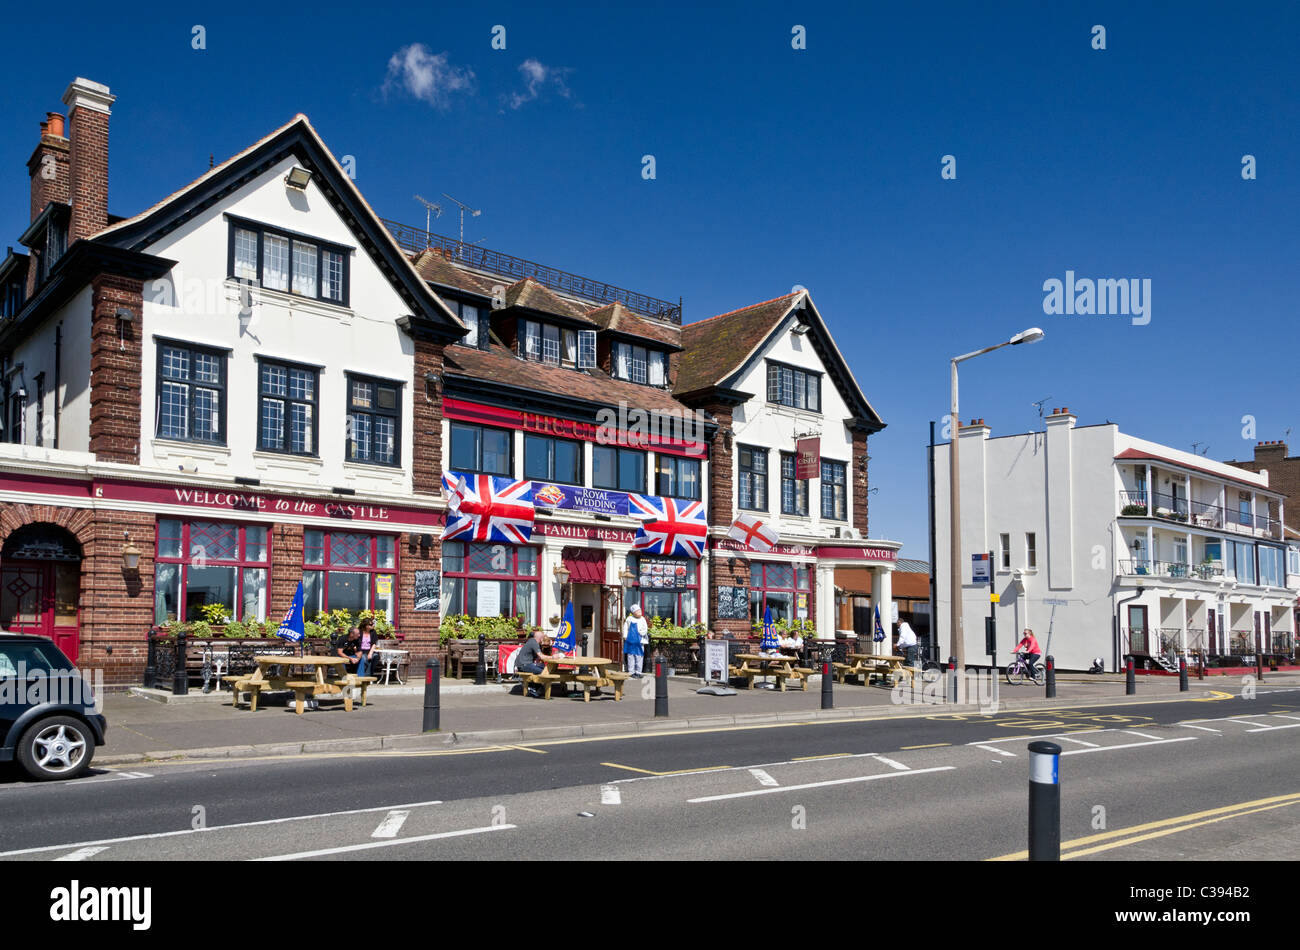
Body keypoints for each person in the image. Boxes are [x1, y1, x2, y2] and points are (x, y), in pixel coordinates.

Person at [515, 628, 548, 697]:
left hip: (523, 664)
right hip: (524, 665)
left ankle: (535, 688)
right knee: (543, 671)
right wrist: (554, 657)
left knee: (544, 668)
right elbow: (541, 657)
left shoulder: (532, 641)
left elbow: (538, 658)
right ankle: (533, 688)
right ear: (541, 638)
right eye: (543, 638)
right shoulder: (534, 642)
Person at [623, 604, 648, 678]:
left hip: (640, 641)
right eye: (638, 611)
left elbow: (645, 628)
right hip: (630, 641)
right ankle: (631, 672)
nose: (640, 612)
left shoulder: (643, 619)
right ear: (633, 612)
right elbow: (625, 628)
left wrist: (641, 632)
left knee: (639, 656)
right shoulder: (629, 619)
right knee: (630, 656)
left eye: (640, 610)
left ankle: (638, 672)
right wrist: (625, 636)